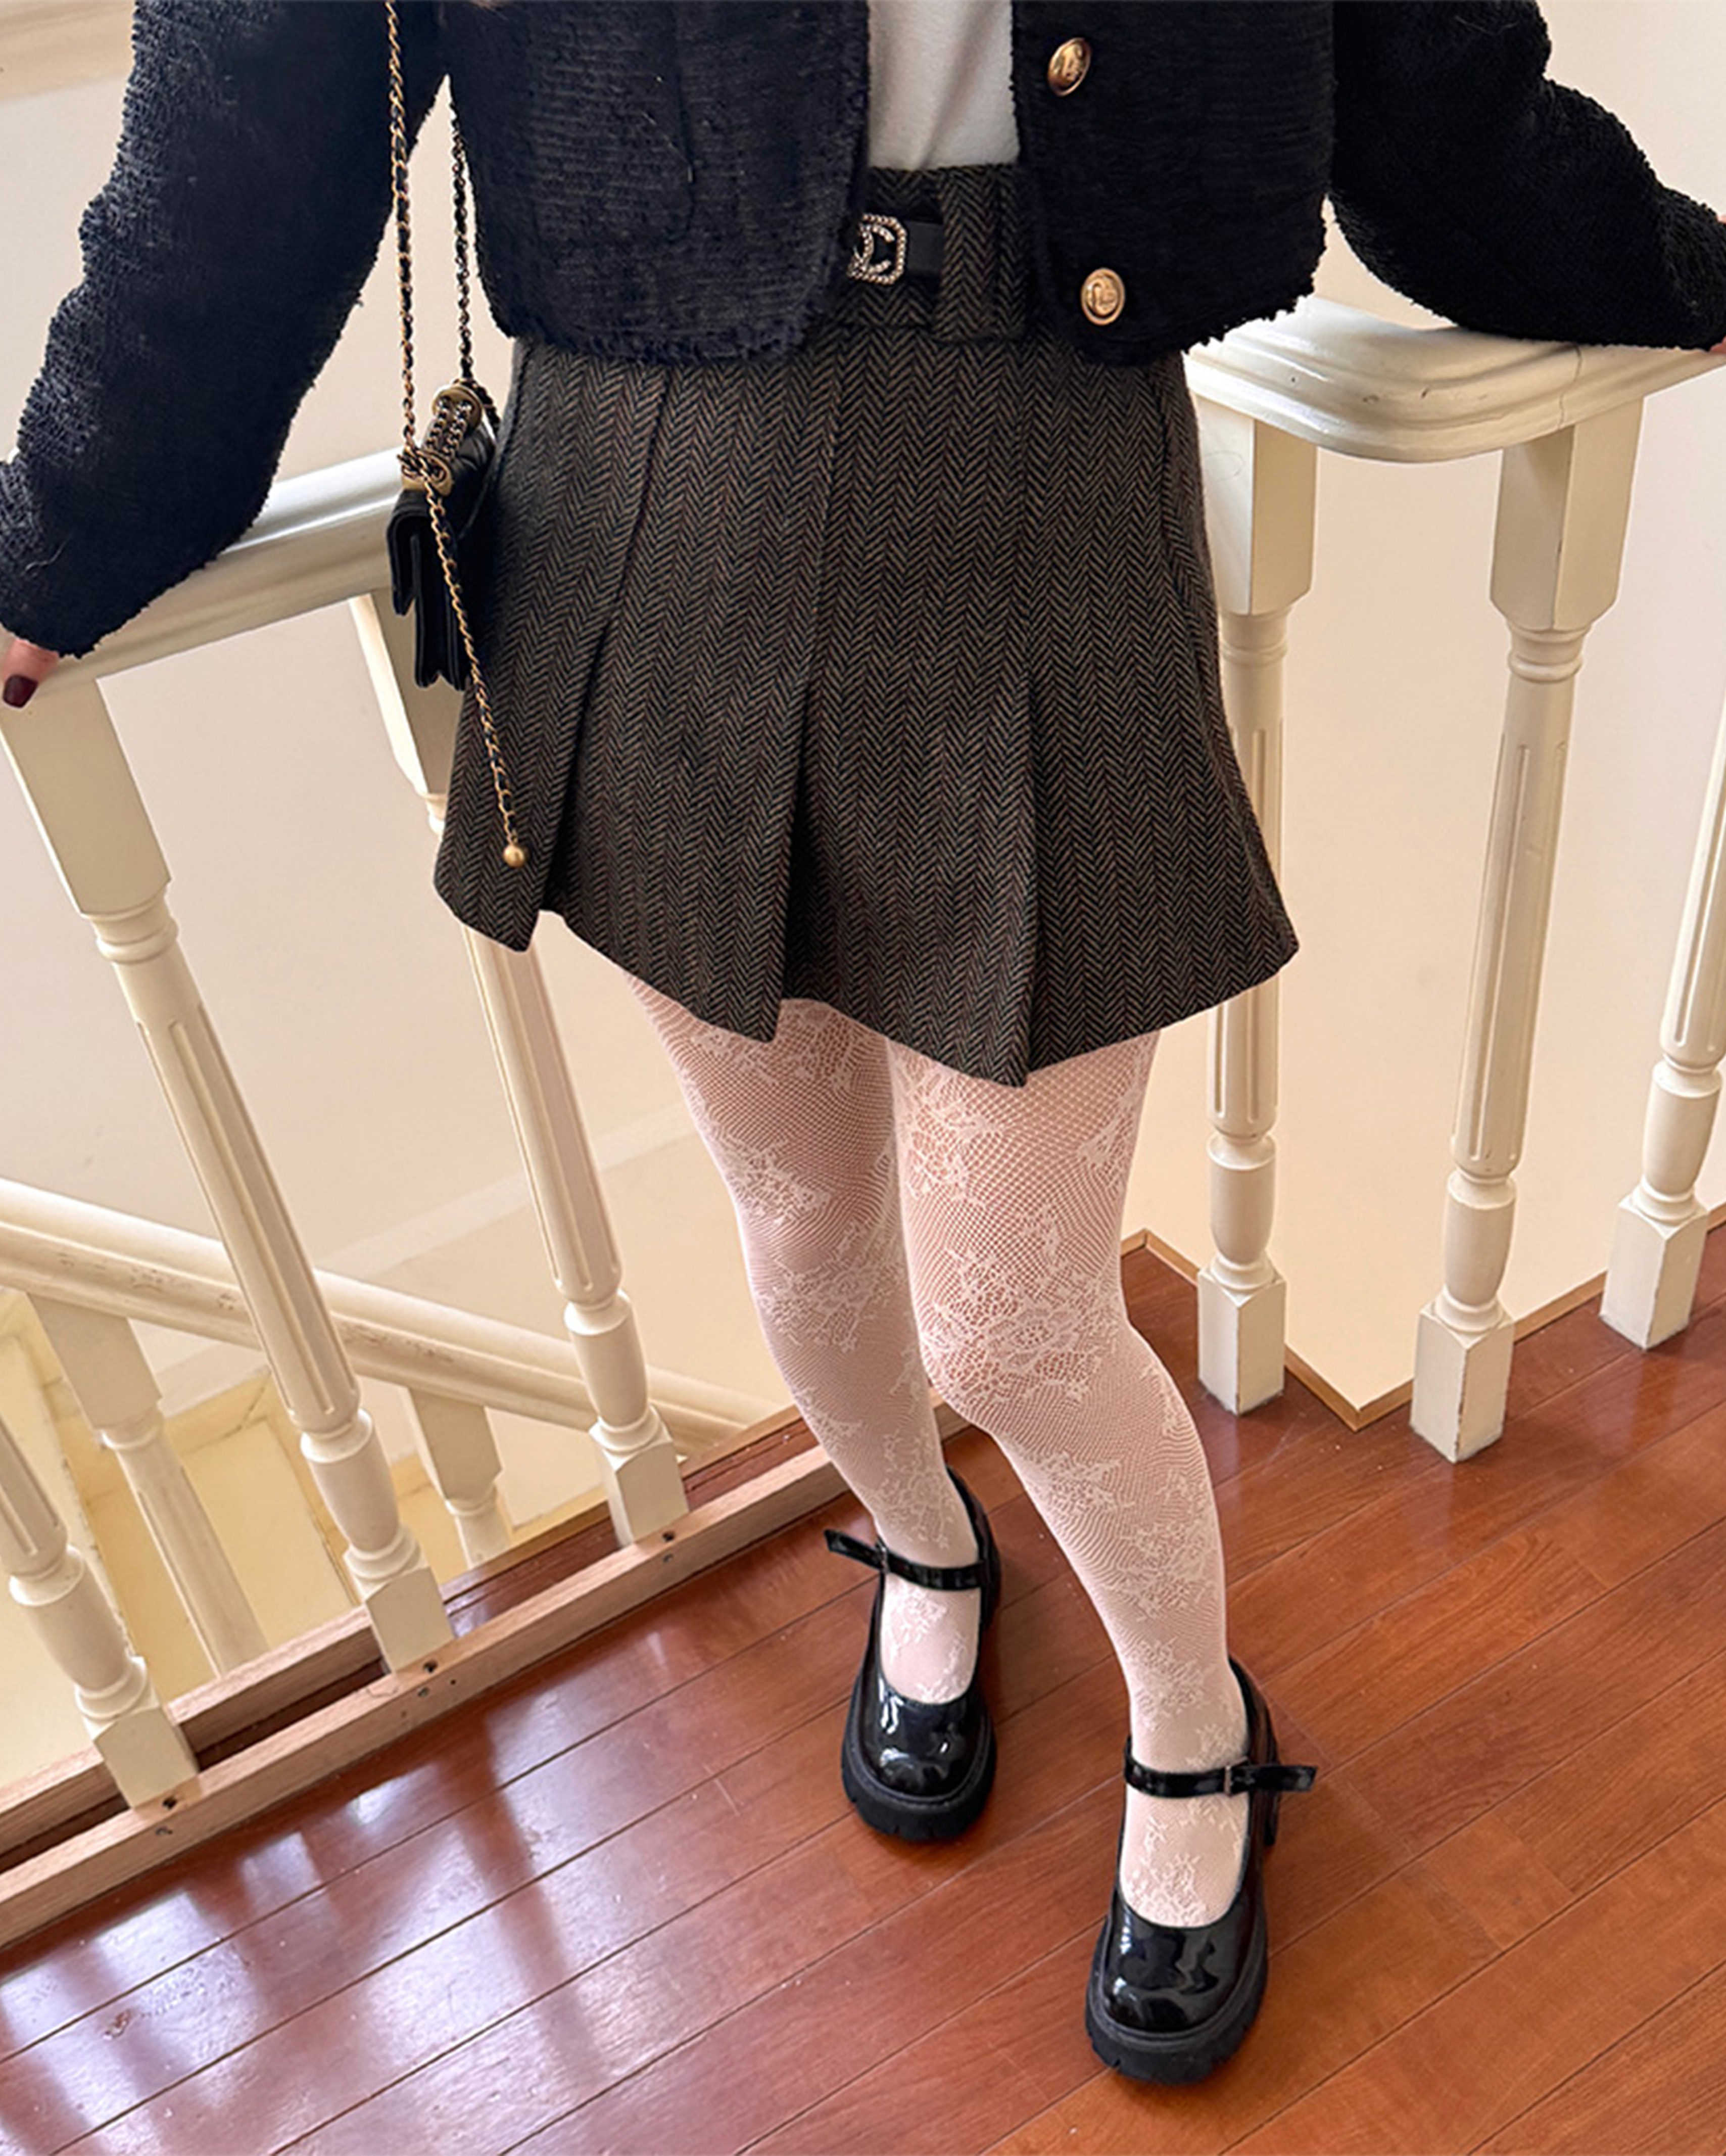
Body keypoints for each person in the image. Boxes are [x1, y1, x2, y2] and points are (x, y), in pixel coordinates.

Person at [4, 0, 1725, 2089]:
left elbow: (1436, 98)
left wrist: (1666, 260)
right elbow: (254, 104)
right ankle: (922, 1538)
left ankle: (1198, 1720)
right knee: (800, 1214)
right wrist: (61, 528)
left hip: (1049, 458)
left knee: (1014, 1308)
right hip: (649, 484)